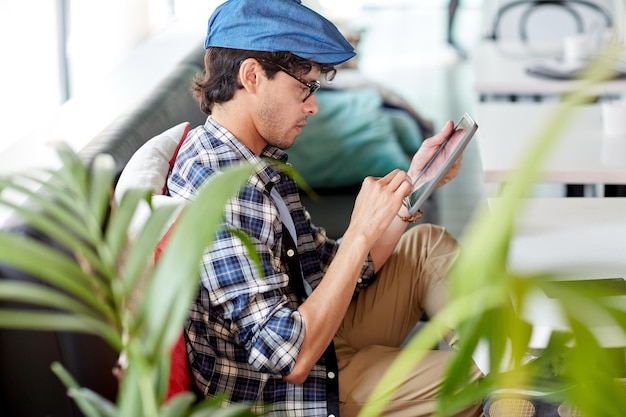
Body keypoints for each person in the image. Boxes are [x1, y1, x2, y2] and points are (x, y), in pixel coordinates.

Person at [165, 0, 481, 416]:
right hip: (290, 392)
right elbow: (289, 357)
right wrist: (361, 231)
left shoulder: (256, 160)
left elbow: (332, 268)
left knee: (427, 245)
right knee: (467, 380)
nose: (312, 106)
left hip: (321, 334)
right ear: (252, 76)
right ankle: (515, 389)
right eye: (303, 88)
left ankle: (518, 375)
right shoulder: (222, 189)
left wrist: (414, 185)